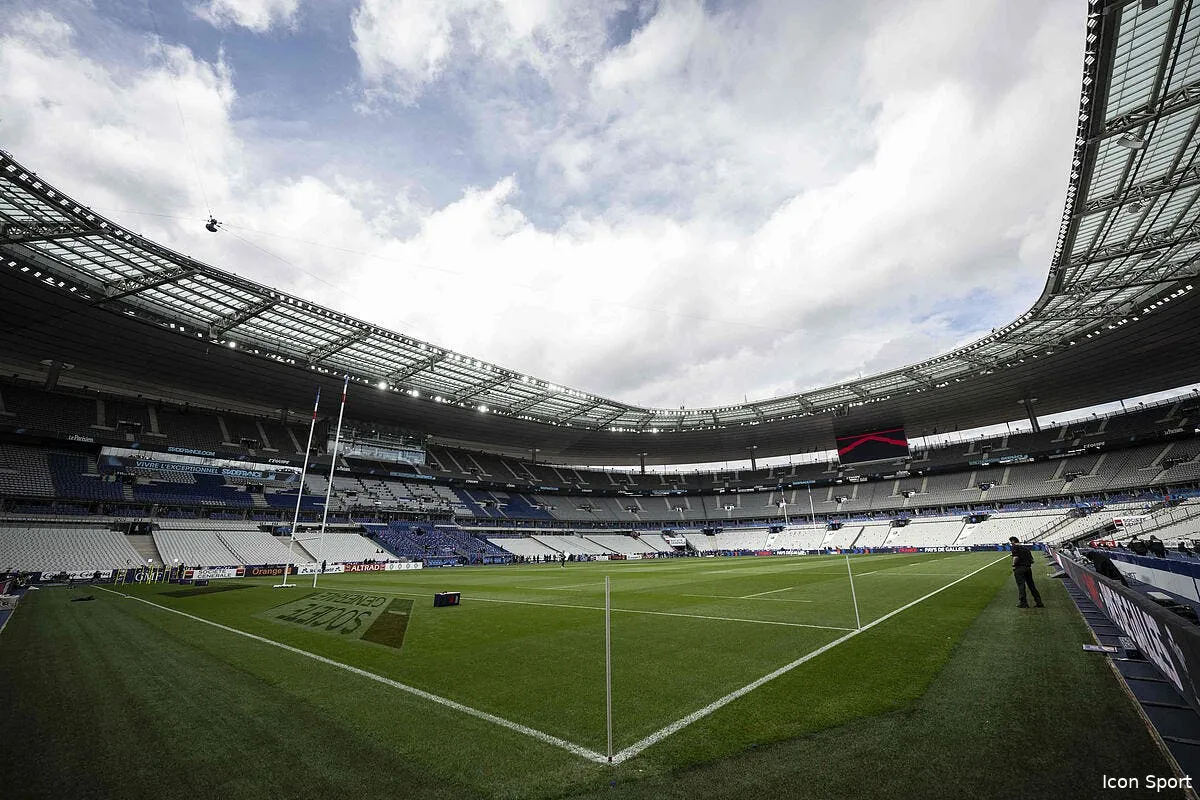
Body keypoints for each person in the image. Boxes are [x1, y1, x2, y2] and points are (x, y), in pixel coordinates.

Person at [1009, 536, 1043, 608]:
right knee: (1031, 586)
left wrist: (1013, 564)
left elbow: (1016, 557)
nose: (1011, 544)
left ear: (1013, 541)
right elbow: (1032, 560)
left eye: (1011, 542)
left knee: (1021, 586)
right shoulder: (1026, 549)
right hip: (1028, 568)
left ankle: (1023, 603)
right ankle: (1039, 602)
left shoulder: (1015, 548)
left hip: (1019, 568)